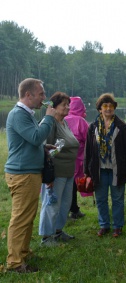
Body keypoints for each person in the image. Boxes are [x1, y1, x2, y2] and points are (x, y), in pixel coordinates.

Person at [4, 78, 56, 273]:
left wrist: (44, 147)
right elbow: (35, 137)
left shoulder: (26, 114)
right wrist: (49, 117)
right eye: (41, 94)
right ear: (28, 95)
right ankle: (15, 263)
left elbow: (30, 141)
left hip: (29, 173)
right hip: (22, 174)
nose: (44, 97)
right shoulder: (19, 114)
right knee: (20, 219)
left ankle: (23, 252)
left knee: (27, 216)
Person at [85, 93, 126, 238]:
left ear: (114, 108)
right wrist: (86, 172)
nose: (108, 109)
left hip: (117, 170)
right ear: (100, 109)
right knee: (101, 199)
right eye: (105, 106)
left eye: (111, 106)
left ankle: (117, 227)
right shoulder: (93, 127)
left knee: (117, 200)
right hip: (99, 170)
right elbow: (88, 150)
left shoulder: (122, 127)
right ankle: (104, 225)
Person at [39, 91, 79, 246]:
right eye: (64, 105)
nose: (68, 107)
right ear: (53, 108)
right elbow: (44, 149)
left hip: (69, 172)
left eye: (68, 104)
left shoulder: (65, 122)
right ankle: (46, 237)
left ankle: (58, 232)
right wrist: (47, 176)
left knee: (65, 204)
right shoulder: (49, 123)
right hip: (56, 172)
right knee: (52, 204)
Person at [64, 96, 89, 219]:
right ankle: (73, 209)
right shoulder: (81, 121)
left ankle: (72, 209)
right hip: (78, 160)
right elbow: (89, 140)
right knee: (73, 185)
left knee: (67, 185)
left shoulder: (61, 118)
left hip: (63, 160)